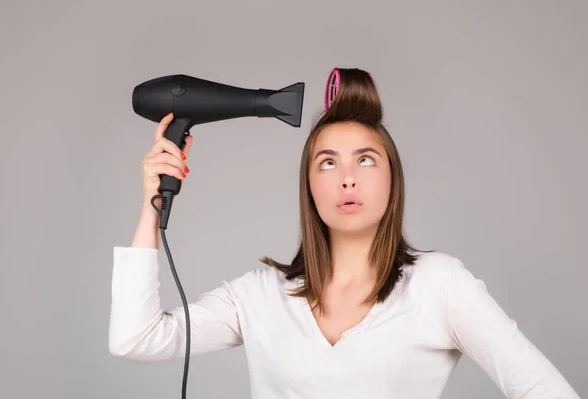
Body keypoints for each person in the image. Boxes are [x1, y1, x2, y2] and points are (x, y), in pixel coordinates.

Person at [108, 68, 579, 398]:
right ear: (308, 185)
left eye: (366, 160)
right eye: (328, 162)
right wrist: (152, 204)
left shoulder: (440, 286)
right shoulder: (260, 297)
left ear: (393, 177)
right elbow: (137, 338)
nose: (347, 178)